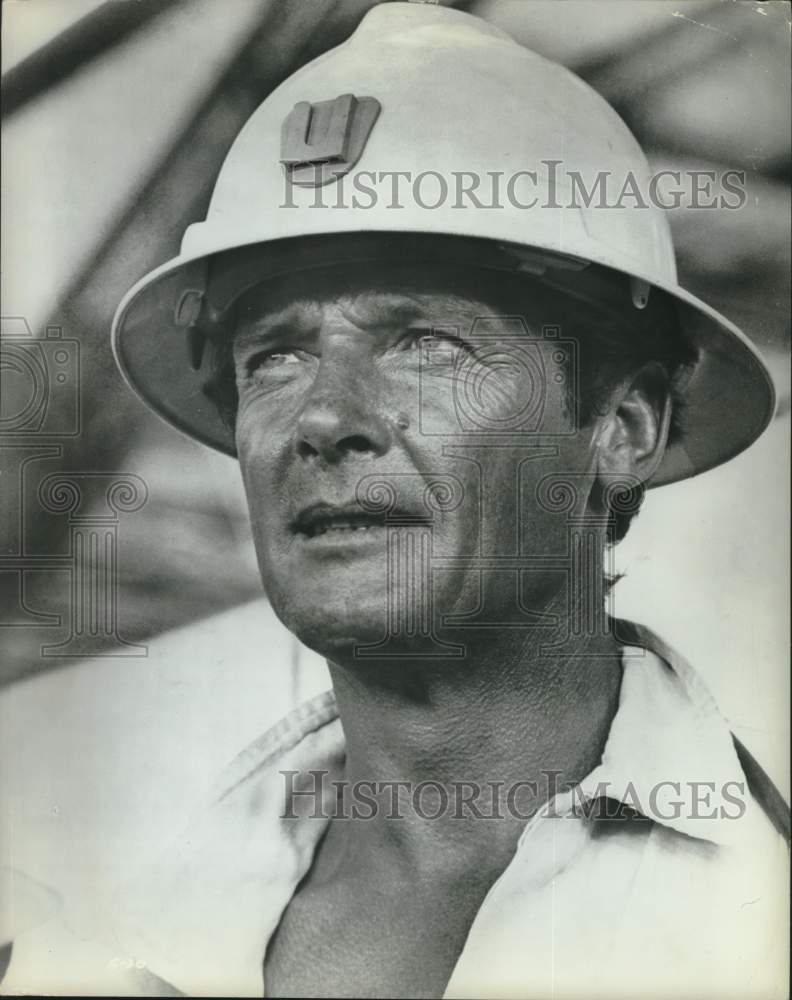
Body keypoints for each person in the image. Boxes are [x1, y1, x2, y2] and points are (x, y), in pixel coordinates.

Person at [3, 3, 788, 997]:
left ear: (623, 427)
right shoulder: (95, 939)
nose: (325, 417)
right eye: (276, 356)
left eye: (426, 343)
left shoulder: (762, 923)